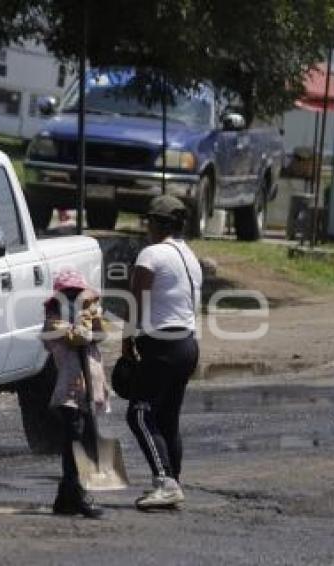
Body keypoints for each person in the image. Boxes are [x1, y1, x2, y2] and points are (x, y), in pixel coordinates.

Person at [123, 195, 202, 510]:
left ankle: (165, 482)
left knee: (139, 412)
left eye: (149, 222)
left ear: (157, 224)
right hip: (187, 344)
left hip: (162, 344)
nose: (146, 228)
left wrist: (127, 342)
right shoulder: (190, 255)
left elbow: (135, 301)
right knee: (167, 417)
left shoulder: (151, 254)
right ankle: (174, 480)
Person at [41, 267, 109, 519]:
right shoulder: (53, 323)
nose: (73, 298)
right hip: (69, 391)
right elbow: (77, 338)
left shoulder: (86, 315)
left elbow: (99, 335)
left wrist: (94, 313)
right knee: (75, 441)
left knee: (84, 440)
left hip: (89, 390)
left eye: (77, 293)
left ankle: (65, 498)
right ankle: (79, 494)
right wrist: (84, 316)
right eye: (68, 294)